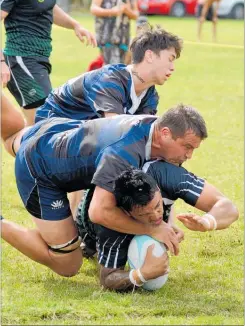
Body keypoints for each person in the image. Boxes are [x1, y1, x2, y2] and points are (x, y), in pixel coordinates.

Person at [1, 100, 207, 277]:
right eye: (187, 147)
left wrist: (166, 225)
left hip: (55, 131)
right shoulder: (123, 153)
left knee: (11, 135)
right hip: (39, 167)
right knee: (68, 264)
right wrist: (152, 229)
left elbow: (157, 190)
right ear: (165, 134)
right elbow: (99, 212)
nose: (189, 155)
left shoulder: (152, 128)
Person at [76, 167, 238, 291]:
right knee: (73, 262)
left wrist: (206, 222)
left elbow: (229, 208)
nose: (155, 216)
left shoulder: (167, 175)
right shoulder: (111, 225)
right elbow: (107, 279)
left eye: (158, 206)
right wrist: (141, 275)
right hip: (87, 224)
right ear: (127, 213)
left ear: (159, 191)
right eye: (145, 214)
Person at [35, 25, 183, 123]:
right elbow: (114, 129)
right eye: (170, 59)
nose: (173, 68)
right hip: (51, 124)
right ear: (149, 56)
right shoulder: (110, 80)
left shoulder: (150, 95)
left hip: (78, 136)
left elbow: (143, 132)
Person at [0, 0, 97, 126]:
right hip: (21, 60)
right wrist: (1, 62)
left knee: (38, 126)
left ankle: (14, 140)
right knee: (44, 123)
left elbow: (49, 7)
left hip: (40, 61)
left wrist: (75, 25)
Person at [90, 0, 139, 65]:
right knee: (112, 67)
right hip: (106, 37)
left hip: (123, 38)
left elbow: (136, 15)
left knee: (121, 66)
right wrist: (112, 12)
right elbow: (93, 9)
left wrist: (126, 9)